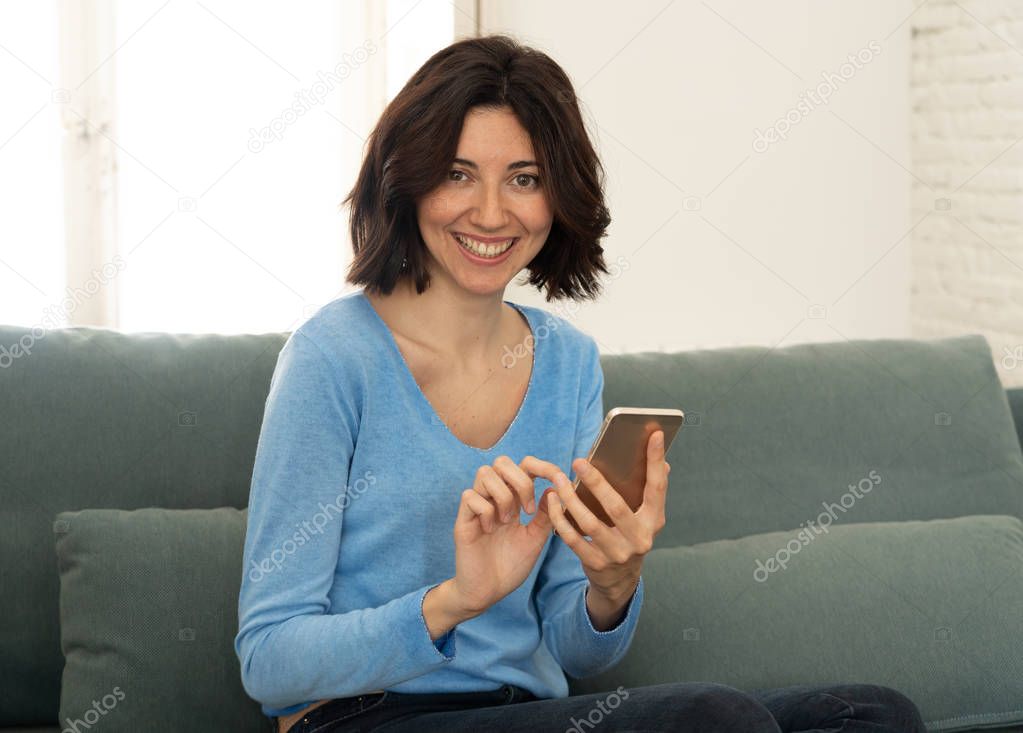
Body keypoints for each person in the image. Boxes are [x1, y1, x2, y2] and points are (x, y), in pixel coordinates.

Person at [234, 33, 927, 733]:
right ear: (406, 180)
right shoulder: (332, 356)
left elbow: (573, 646)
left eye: (524, 178)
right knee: (714, 717)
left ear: (556, 196)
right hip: (366, 717)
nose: (491, 212)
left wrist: (612, 581)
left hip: (529, 712)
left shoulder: (566, 362)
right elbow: (269, 658)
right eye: (458, 173)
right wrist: (456, 598)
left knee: (870, 714)